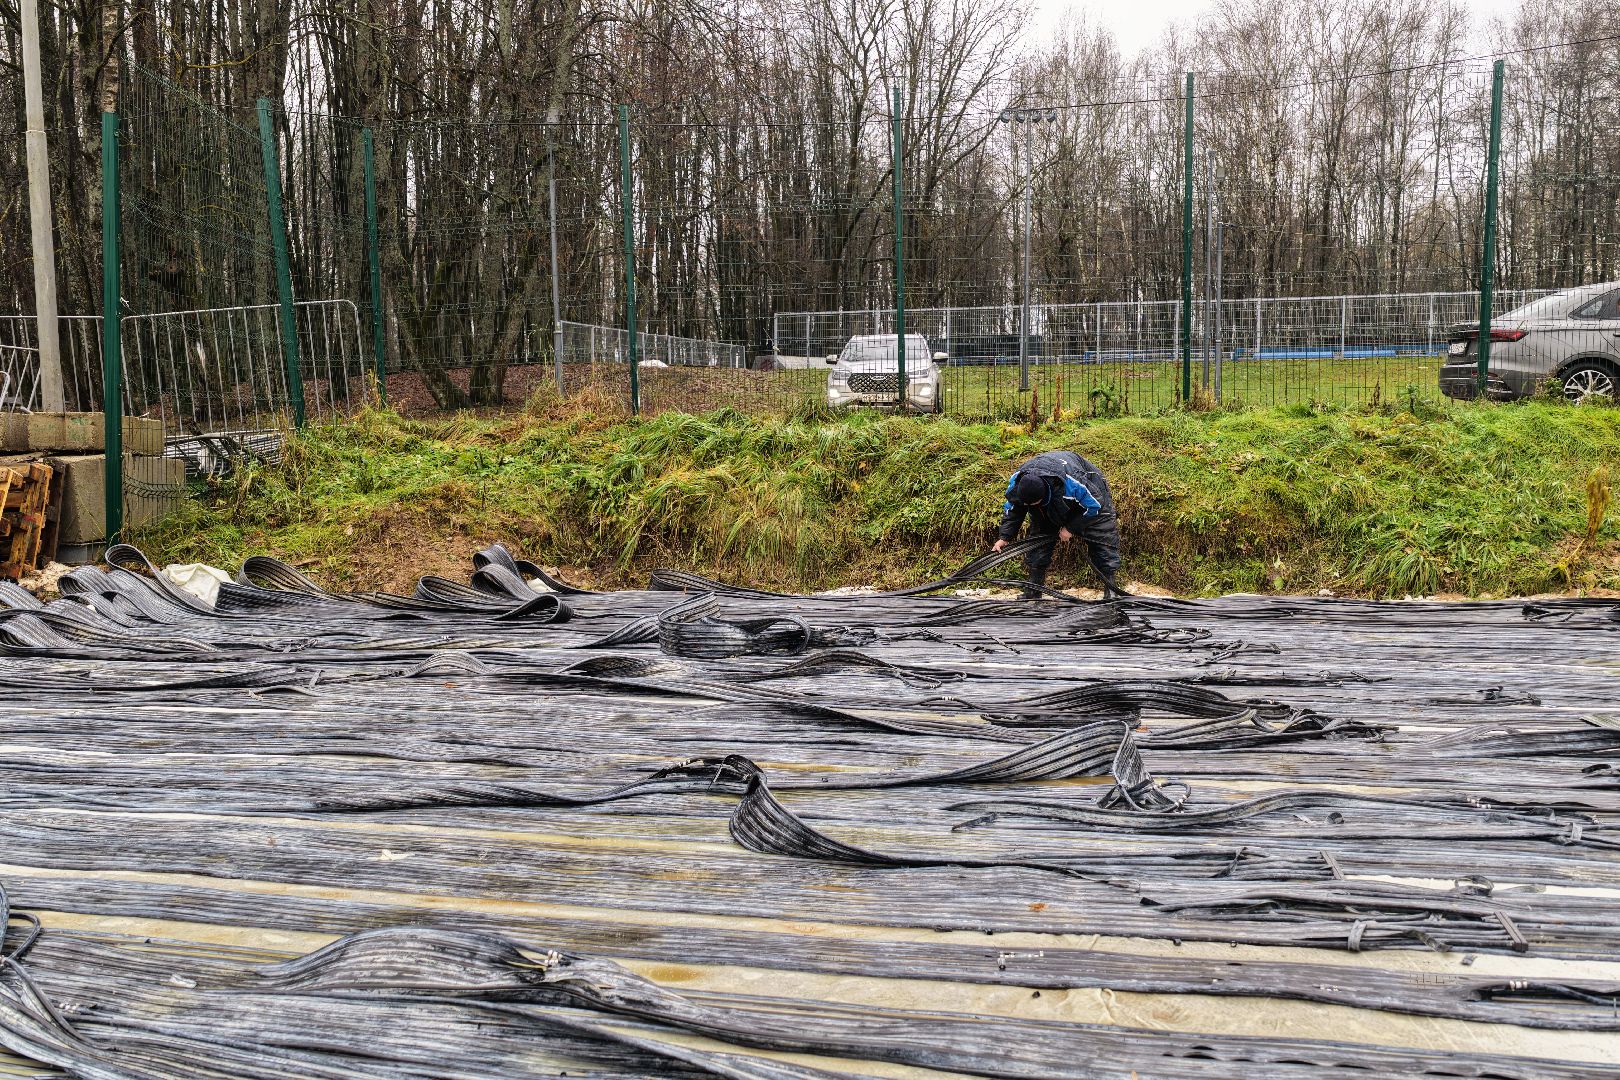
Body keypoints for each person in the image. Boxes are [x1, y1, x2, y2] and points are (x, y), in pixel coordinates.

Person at [991, 450, 1123, 599]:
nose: (1028, 506)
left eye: (1032, 503)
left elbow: (1095, 504)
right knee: (1038, 541)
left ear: (1043, 495)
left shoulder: (1072, 483)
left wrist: (1070, 528)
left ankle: (1111, 591)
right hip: (1052, 499)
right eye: (1026, 503)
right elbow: (1014, 509)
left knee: (1102, 538)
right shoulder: (1017, 483)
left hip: (1092, 496)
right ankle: (1033, 591)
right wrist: (1005, 537)